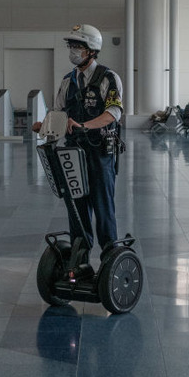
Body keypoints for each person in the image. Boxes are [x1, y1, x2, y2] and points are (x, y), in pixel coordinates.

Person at [33, 24, 124, 255]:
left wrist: (83, 126)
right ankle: (80, 254)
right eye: (71, 46)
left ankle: (109, 255)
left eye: (77, 46)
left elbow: (113, 113)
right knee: (76, 206)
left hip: (101, 153)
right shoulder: (67, 81)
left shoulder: (108, 78)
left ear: (91, 50)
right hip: (73, 154)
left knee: (103, 209)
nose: (72, 51)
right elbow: (57, 113)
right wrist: (44, 126)